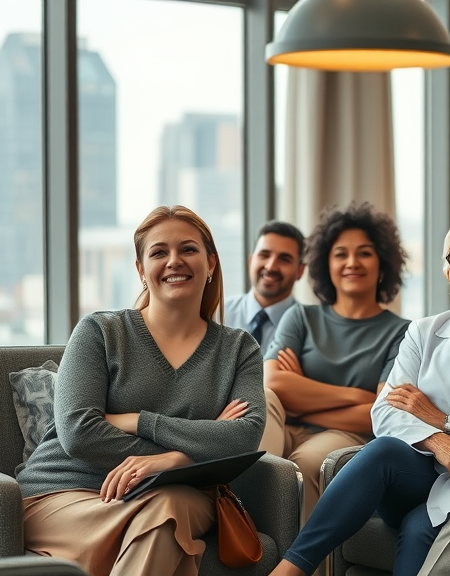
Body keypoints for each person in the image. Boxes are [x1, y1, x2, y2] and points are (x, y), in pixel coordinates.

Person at [269, 213, 450, 576]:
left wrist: (443, 420)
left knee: (419, 528)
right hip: (421, 472)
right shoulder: (424, 332)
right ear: (447, 272)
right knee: (383, 450)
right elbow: (385, 413)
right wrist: (440, 441)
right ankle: (293, 568)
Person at [17, 205, 266, 576]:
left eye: (188, 249)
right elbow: (79, 432)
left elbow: (245, 437)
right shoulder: (99, 332)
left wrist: (143, 428)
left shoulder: (239, 349)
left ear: (211, 263)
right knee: (169, 514)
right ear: (140, 270)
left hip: (178, 494)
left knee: (171, 505)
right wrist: (195, 450)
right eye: (159, 252)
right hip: (63, 494)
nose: (174, 261)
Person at [259, 203, 410, 519]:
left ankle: (297, 566)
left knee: (304, 465)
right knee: (259, 440)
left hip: (345, 435)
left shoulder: (402, 333)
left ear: (382, 264)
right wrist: (356, 395)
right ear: (325, 264)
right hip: (285, 421)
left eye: (364, 253)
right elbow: (273, 384)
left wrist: (301, 399)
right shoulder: (301, 317)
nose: (352, 262)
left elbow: (380, 415)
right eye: (341, 254)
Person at [224, 221, 307, 353]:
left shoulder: (309, 329)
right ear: (251, 261)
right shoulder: (216, 315)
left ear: (300, 271)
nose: (271, 266)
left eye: (284, 259)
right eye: (264, 255)